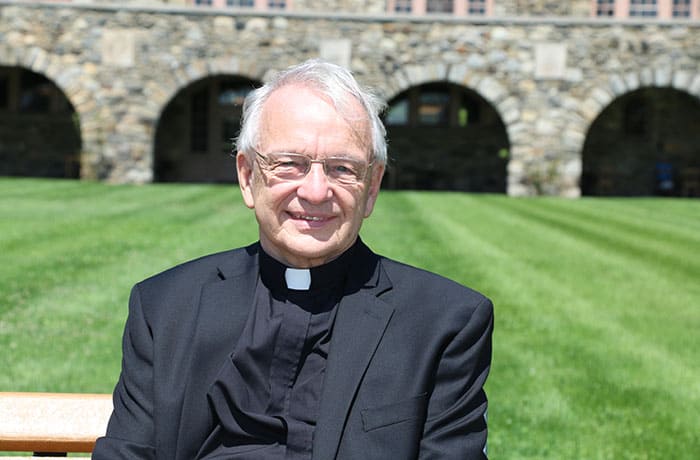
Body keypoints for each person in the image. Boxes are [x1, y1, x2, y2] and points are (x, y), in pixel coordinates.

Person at [93, 59, 494, 460]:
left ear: (371, 187)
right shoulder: (166, 307)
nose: (316, 192)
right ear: (248, 176)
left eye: (342, 168)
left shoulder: (443, 322)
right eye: (290, 164)